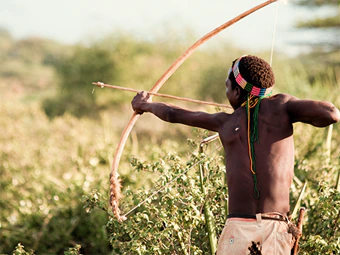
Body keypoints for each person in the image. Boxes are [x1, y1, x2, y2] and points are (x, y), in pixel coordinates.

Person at [131, 55, 340, 254]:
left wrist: (145, 105)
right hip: (272, 230)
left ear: (237, 93)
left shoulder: (226, 122)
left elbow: (173, 114)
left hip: (239, 230)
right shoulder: (280, 107)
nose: (226, 92)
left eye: (226, 86)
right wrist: (284, 105)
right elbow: (331, 113)